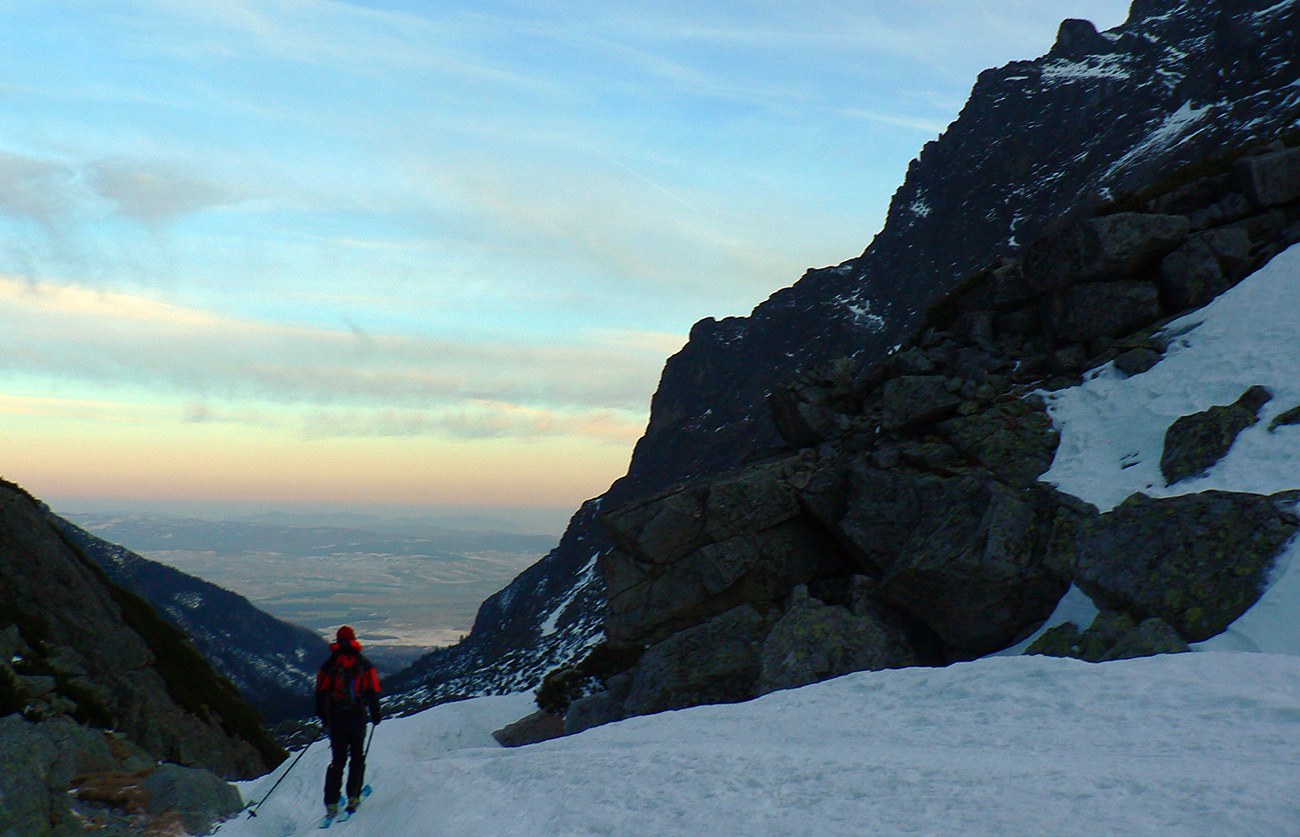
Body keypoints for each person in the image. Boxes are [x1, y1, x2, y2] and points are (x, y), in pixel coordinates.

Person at [315, 625, 382, 818]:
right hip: (357, 717)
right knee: (357, 757)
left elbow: (320, 692)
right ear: (353, 639)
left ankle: (331, 803)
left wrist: (324, 716)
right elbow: (373, 691)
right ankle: (353, 796)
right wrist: (375, 713)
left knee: (338, 761)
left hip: (337, 719)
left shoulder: (329, 665)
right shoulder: (364, 664)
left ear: (338, 640)